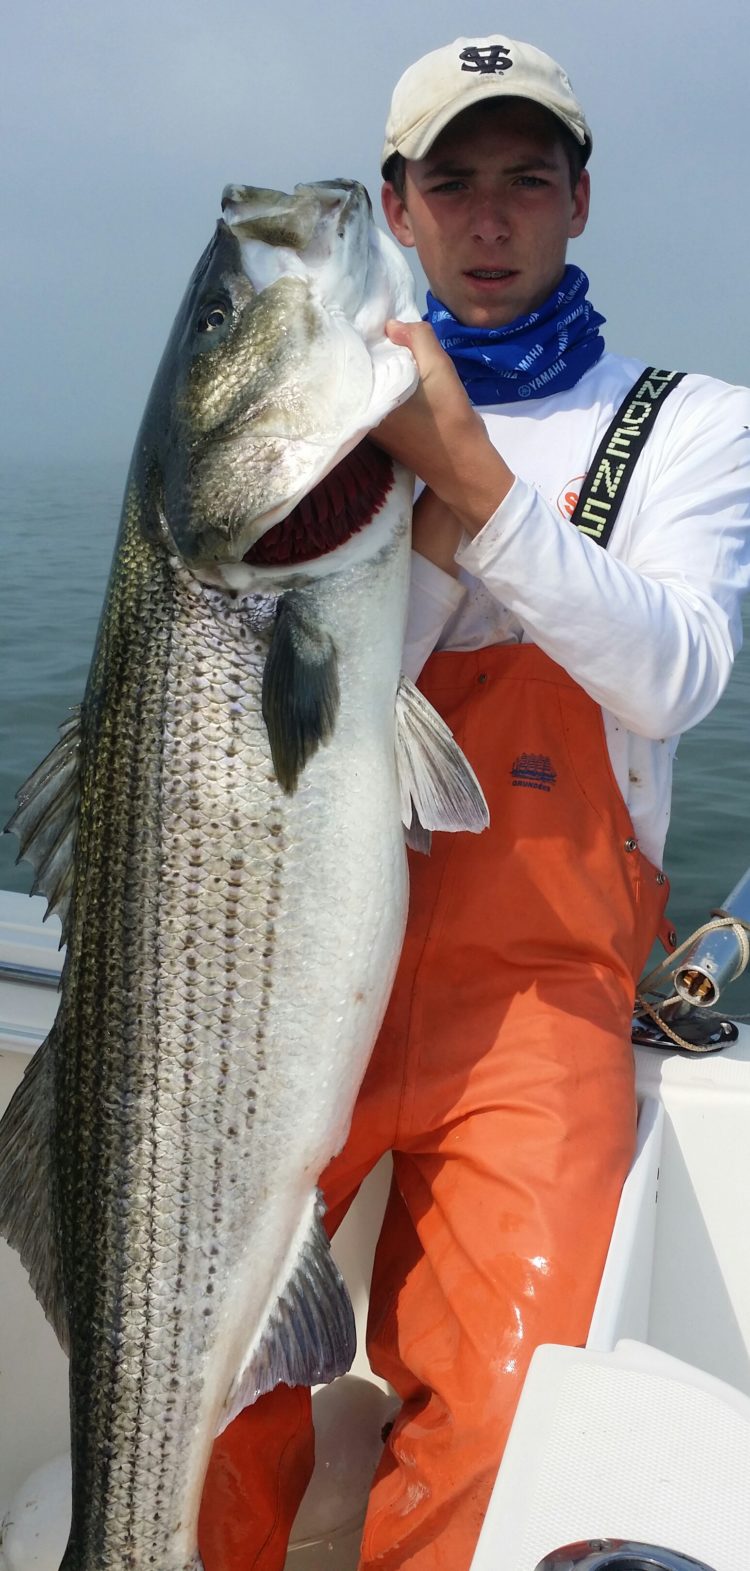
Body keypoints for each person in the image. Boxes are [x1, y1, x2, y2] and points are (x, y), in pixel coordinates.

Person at [198, 34, 750, 1571]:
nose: (490, 218)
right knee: (207, 1366)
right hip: (301, 968)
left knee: (505, 1414)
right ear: (399, 205)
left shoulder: (690, 422)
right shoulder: (327, 415)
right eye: (453, 184)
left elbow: (674, 675)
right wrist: (395, 475)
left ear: (579, 202)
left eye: (525, 181)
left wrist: (473, 486)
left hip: (537, 1003)